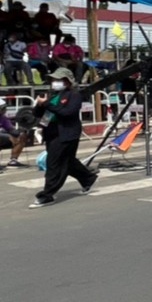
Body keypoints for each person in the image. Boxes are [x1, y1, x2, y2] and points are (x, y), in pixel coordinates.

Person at [28, 67, 98, 207]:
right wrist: (40, 105)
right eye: (53, 80)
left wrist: (47, 104)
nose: (55, 82)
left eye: (58, 80)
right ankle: (87, 178)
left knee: (54, 164)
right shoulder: (51, 95)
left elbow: (68, 113)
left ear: (67, 81)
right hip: (51, 132)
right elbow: (38, 114)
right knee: (68, 161)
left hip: (67, 133)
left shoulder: (74, 95)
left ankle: (47, 194)